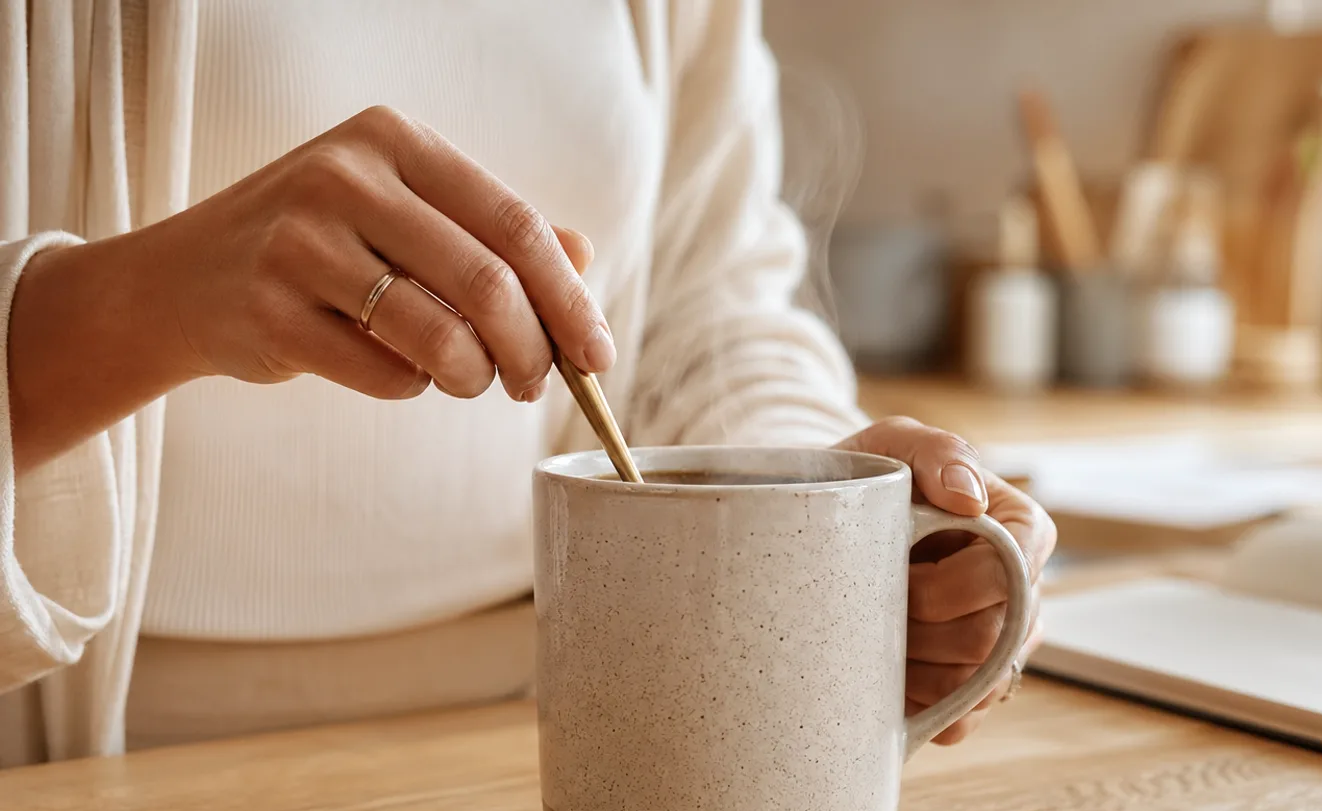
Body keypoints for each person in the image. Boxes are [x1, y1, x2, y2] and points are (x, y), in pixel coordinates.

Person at [0, 0, 1054, 766]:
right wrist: (142, 302)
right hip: (93, 774)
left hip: (563, 745)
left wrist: (823, 492)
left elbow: (706, 304)